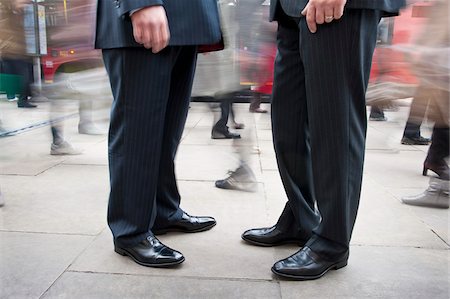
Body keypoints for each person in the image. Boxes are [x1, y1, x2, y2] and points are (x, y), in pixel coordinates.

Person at [242, 0, 405, 280]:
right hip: (291, 9)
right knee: (288, 122)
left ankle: (332, 240)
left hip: (340, 7)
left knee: (335, 121)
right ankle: (300, 216)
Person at [95, 0, 222, 267]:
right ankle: (131, 230)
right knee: (137, 132)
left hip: (183, 19)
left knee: (166, 131)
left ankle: (163, 211)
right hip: (145, 13)